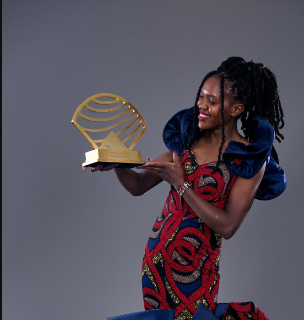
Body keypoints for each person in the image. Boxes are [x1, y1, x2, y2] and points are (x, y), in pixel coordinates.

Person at [85, 57, 287, 320]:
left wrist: (181, 185)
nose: (201, 106)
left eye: (212, 101)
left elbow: (228, 226)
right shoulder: (187, 142)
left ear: (236, 109)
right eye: (201, 97)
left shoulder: (249, 158)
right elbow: (139, 184)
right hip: (156, 266)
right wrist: (115, 163)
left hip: (195, 268)